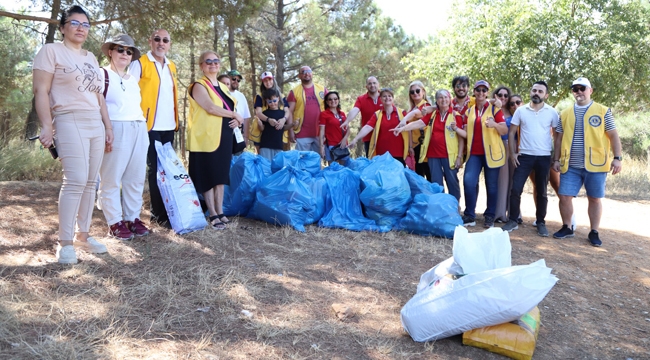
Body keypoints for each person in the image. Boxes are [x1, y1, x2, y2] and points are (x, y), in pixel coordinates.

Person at [32, 5, 111, 263]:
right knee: (75, 180)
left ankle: (83, 236)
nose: (80, 28)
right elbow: (40, 91)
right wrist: (47, 125)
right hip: (68, 119)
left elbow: (99, 96)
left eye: (85, 24)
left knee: (91, 182)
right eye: (75, 23)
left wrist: (108, 127)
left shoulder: (91, 58)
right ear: (63, 27)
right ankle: (64, 243)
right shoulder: (50, 51)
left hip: (95, 123)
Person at [552, 77, 622, 247]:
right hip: (570, 165)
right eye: (575, 89)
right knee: (565, 196)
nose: (579, 92)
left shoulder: (603, 111)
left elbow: (613, 136)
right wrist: (556, 159)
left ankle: (594, 231)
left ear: (590, 90)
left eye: (582, 88)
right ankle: (567, 227)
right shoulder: (565, 113)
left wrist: (617, 158)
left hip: (596, 164)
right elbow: (559, 138)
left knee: (594, 198)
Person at [98, 34, 150, 241]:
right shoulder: (102, 75)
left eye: (129, 52)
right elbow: (97, 105)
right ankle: (114, 222)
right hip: (115, 128)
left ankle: (132, 218)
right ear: (110, 51)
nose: (125, 54)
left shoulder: (132, 80)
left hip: (138, 127)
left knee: (135, 178)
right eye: (120, 49)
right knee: (111, 178)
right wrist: (106, 129)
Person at [187, 51, 243, 230]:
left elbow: (229, 107)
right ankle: (212, 213)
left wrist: (235, 120)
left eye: (216, 61)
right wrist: (234, 114)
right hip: (205, 139)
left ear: (219, 65)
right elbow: (210, 107)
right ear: (202, 65)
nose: (212, 64)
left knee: (220, 176)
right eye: (208, 61)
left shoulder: (223, 86)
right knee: (208, 176)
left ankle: (220, 211)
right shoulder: (198, 85)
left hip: (223, 136)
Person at [129, 29, 178, 228]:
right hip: (148, 125)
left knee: (167, 170)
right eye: (157, 39)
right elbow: (129, 92)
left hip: (169, 126)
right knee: (155, 170)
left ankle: (169, 211)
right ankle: (158, 215)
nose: (161, 43)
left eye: (165, 40)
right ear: (150, 41)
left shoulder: (172, 66)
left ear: (169, 44)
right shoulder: (139, 63)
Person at [501, 81, 559, 237]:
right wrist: (512, 153)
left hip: (544, 157)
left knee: (542, 192)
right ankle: (513, 220)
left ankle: (540, 222)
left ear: (546, 95)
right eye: (534, 90)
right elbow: (511, 132)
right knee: (516, 189)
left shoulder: (552, 112)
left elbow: (557, 136)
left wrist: (556, 157)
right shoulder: (521, 111)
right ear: (530, 92)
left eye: (540, 91)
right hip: (524, 156)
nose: (536, 93)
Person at [393, 89, 465, 200]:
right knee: (436, 183)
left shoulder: (456, 116)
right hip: (433, 155)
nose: (443, 100)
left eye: (446, 97)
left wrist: (459, 156)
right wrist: (402, 128)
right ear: (436, 100)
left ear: (450, 99)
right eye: (440, 97)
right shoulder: (432, 115)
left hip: (449, 155)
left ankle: (455, 206)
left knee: (452, 181)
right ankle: (439, 206)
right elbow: (418, 123)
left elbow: (461, 139)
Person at [461, 80, 508, 228]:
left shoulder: (495, 109)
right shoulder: (469, 111)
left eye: (484, 90)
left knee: (491, 186)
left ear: (487, 92)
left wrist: (494, 125)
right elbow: (466, 132)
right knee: (468, 182)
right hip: (474, 154)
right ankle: (469, 215)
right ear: (474, 92)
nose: (481, 93)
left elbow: (504, 130)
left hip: (491, 154)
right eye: (478, 90)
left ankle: (489, 216)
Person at [348, 88, 410, 166]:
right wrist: (355, 139)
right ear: (380, 99)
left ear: (393, 98)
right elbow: (367, 127)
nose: (387, 98)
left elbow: (409, 130)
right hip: (381, 154)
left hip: (399, 153)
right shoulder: (377, 115)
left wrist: (410, 147)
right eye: (384, 96)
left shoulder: (402, 113)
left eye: (389, 96)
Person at [398, 81, 433, 180]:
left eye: (417, 91)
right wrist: (410, 147)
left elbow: (416, 114)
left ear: (423, 91)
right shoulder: (410, 110)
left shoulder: (427, 107)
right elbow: (409, 130)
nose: (415, 93)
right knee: (418, 175)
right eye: (412, 92)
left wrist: (404, 120)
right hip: (416, 145)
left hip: (427, 145)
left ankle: (433, 195)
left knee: (429, 173)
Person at [288, 66, 327, 152]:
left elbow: (330, 109)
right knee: (302, 161)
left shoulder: (322, 90)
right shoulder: (294, 92)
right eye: (303, 72)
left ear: (312, 74)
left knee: (317, 160)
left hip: (320, 132)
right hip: (302, 133)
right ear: (299, 76)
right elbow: (289, 112)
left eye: (308, 71)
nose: (306, 73)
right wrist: (290, 131)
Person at [250, 71, 292, 153]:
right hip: (262, 130)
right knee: (262, 156)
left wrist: (284, 119)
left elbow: (287, 111)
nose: (268, 82)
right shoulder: (260, 96)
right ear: (262, 82)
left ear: (273, 80)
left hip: (278, 131)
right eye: (265, 80)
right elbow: (258, 112)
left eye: (269, 79)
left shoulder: (281, 96)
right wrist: (268, 120)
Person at [340, 76, 382, 157]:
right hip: (368, 136)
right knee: (371, 161)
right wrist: (347, 121)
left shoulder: (385, 97)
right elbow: (355, 110)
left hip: (384, 135)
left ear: (378, 85)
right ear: (366, 86)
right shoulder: (361, 99)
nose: (372, 85)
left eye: (374, 83)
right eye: (370, 84)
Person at [493, 87, 514, 223]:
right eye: (500, 95)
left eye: (506, 95)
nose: (503, 97)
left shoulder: (513, 110)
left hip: (513, 146)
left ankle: (514, 213)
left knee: (514, 181)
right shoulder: (492, 109)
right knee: (502, 181)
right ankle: (500, 213)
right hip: (498, 146)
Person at [258, 89, 291, 161]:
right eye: (270, 102)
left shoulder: (282, 113)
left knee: (278, 168)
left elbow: (284, 128)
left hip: (278, 145)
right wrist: (260, 124)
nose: (272, 103)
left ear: (278, 99)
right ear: (266, 101)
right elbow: (262, 129)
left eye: (274, 101)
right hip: (265, 145)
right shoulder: (265, 113)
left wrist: (293, 125)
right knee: (266, 167)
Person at [319, 91, 350, 165]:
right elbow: (321, 132)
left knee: (344, 169)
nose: (333, 101)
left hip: (343, 145)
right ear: (326, 102)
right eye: (330, 99)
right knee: (332, 169)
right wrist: (321, 147)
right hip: (331, 146)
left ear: (338, 100)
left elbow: (348, 129)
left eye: (335, 99)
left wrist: (344, 139)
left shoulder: (342, 113)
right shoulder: (324, 114)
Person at [227, 70, 251, 155]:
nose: (236, 81)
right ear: (228, 79)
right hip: (225, 133)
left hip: (238, 134)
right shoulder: (222, 93)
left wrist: (246, 137)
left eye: (238, 80)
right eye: (233, 79)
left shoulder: (241, 96)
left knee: (238, 162)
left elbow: (246, 118)